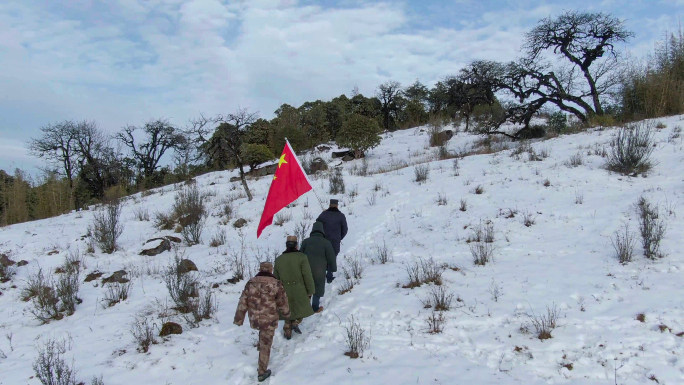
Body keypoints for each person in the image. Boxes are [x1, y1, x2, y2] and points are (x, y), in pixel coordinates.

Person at [234, 262, 291, 383]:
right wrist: (287, 314)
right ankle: (262, 372)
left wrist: (239, 318)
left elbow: (243, 301)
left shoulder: (251, 283)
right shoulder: (276, 284)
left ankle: (260, 347)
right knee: (266, 343)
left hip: (255, 318)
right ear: (271, 270)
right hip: (269, 319)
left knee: (263, 334)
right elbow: (282, 302)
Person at [274, 235, 316, 340]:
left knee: (288, 310)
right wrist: (310, 290)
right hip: (300, 289)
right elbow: (307, 275)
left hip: (284, 289)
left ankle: (287, 329)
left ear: (286, 246)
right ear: (296, 246)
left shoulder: (279, 260)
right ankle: (295, 322)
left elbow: (276, 279)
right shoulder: (302, 257)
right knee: (301, 309)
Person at [300, 221, 336, 313]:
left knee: (306, 287)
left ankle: (304, 307)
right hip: (320, 270)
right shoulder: (326, 243)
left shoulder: (306, 241)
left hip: (306, 269)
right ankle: (315, 307)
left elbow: (299, 255)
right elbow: (331, 257)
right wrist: (332, 269)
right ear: (322, 231)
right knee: (318, 287)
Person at [316, 199, 348, 282]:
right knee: (332, 257)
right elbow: (345, 229)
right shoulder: (341, 216)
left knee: (323, 257)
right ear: (337, 205)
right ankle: (329, 275)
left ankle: (321, 275)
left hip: (323, 239)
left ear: (329, 205)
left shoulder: (324, 214)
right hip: (335, 241)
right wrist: (339, 237)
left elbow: (317, 224)